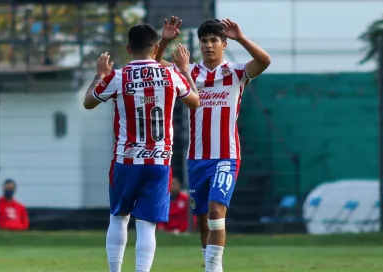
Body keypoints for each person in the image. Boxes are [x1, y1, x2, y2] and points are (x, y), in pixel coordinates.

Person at [156, 17, 271, 271]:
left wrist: (241, 37)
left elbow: (264, 61)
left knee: (218, 211)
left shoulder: (236, 72)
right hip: (196, 158)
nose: (208, 45)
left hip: (226, 156)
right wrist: (165, 40)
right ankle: (209, 265)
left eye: (214, 40)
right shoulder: (189, 71)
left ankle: (213, 268)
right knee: (204, 220)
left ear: (223, 43)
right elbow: (153, 62)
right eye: (204, 41)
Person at [83, 23, 200, 272]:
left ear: (128, 48)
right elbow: (194, 101)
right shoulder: (170, 75)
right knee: (147, 224)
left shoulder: (118, 76)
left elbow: (88, 102)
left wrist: (99, 75)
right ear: (156, 47)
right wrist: (185, 70)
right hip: (159, 161)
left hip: (126, 160)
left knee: (119, 217)